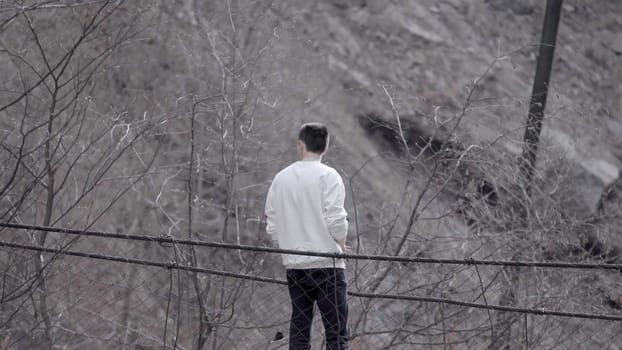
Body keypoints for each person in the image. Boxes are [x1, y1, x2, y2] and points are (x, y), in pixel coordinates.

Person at [265, 122, 350, 350]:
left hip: (295, 264)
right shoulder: (329, 176)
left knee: (300, 329)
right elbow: (336, 220)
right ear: (325, 148)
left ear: (301, 144)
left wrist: (287, 242)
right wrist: (341, 243)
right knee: (336, 332)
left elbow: (272, 226)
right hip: (328, 266)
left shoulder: (281, 178)